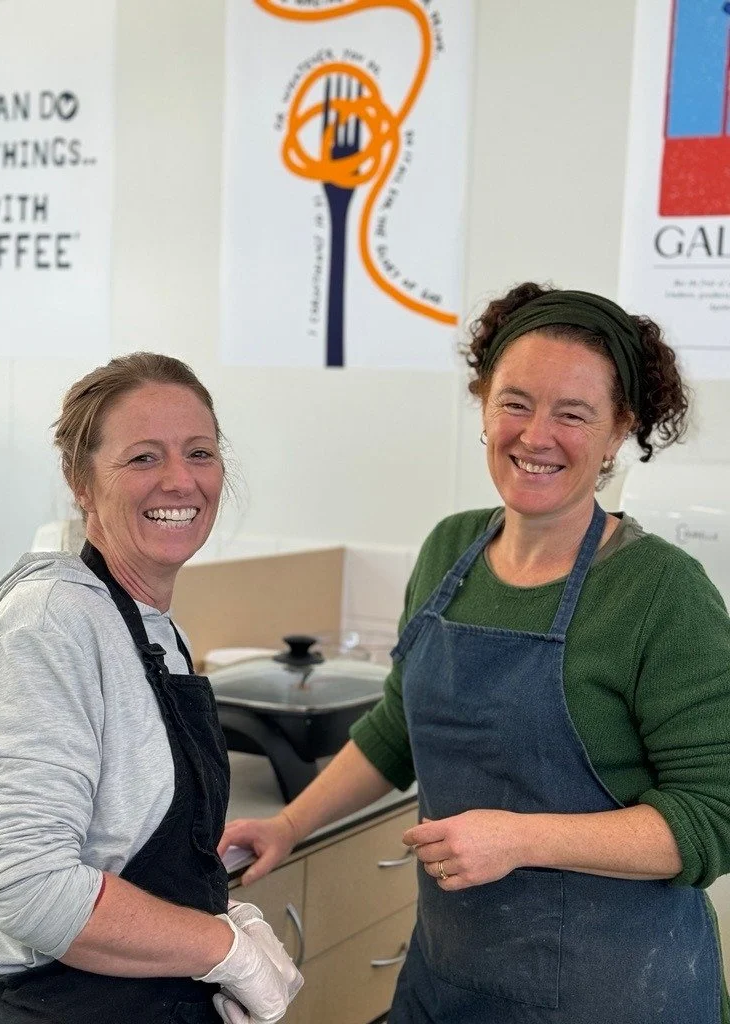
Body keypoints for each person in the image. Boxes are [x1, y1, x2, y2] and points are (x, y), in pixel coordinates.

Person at [221, 283, 730, 1024]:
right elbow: (398, 729)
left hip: (618, 991)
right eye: (515, 401)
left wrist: (519, 838)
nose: (536, 434)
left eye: (574, 413)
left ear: (620, 429)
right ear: (483, 402)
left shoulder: (661, 592)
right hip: (453, 979)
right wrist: (290, 824)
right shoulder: (449, 548)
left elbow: (712, 817)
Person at [0, 353, 303, 1024]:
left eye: (199, 452)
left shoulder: (146, 626)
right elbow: (29, 887)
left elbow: (111, 848)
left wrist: (214, 909)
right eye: (143, 457)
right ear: (79, 480)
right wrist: (221, 949)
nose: (180, 480)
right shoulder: (51, 620)